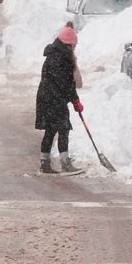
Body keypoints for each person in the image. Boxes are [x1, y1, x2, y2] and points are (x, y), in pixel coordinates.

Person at [35, 25, 83, 174]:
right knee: (63, 129)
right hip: (54, 99)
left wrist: (73, 99)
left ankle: (45, 163)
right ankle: (65, 163)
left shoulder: (53, 54)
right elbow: (66, 84)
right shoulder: (63, 58)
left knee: (50, 130)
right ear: (69, 44)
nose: (74, 48)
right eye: (74, 45)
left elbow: (62, 83)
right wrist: (75, 101)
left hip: (46, 97)